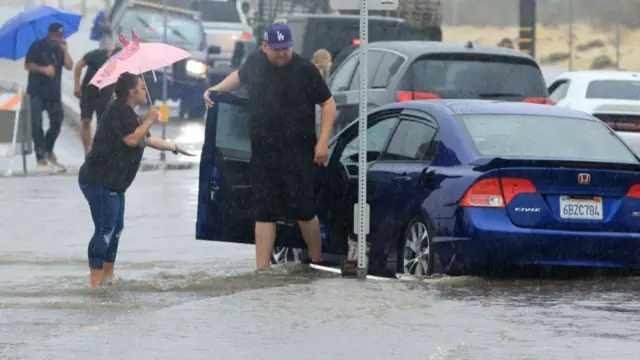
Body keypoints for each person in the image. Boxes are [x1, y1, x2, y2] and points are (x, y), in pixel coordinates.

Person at [202, 23, 337, 270]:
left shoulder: (305, 69)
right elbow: (239, 77)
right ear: (265, 47)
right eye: (277, 50)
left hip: (299, 153)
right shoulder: (256, 62)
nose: (282, 54)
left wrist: (323, 141)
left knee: (304, 210)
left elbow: (328, 104)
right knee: (264, 211)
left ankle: (317, 262)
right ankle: (261, 271)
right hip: (263, 153)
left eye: (286, 48)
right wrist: (215, 89)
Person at [78, 72, 194, 287]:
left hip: (114, 183)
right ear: (132, 92)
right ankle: (94, 284)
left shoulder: (130, 113)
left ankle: (108, 277)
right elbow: (132, 140)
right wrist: (150, 119)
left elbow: (147, 139)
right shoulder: (116, 112)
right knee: (105, 230)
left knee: (116, 229)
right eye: (142, 88)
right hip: (99, 180)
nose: (145, 91)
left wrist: (175, 148)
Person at [24, 23, 74, 170]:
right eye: (57, 36)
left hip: (54, 93)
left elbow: (70, 66)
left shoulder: (60, 49)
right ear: (50, 34)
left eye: (61, 36)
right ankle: (40, 155)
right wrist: (43, 69)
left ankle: (48, 148)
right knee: (36, 124)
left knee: (57, 121)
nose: (59, 39)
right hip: (36, 92)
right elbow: (28, 65)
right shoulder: (37, 46)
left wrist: (65, 50)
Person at [73, 45, 123, 154]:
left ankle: (100, 149)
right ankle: (87, 151)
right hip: (88, 91)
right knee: (86, 120)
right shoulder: (97, 54)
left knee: (103, 123)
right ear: (110, 54)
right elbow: (79, 65)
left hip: (105, 94)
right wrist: (76, 85)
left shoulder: (121, 65)